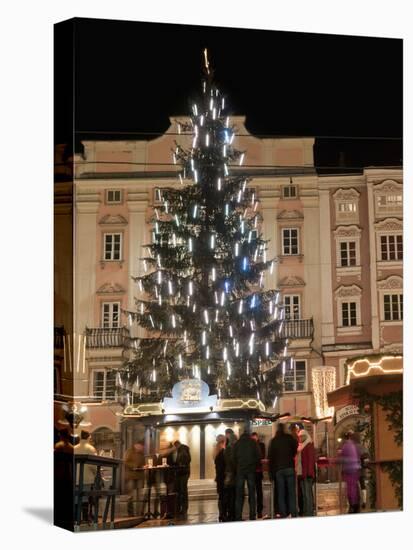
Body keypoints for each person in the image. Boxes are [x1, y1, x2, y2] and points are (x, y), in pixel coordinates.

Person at [268, 423, 299, 518]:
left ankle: (283, 514)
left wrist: (271, 473)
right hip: (289, 467)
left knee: (281, 493)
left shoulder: (273, 441)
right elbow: (295, 450)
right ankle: (294, 513)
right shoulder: (289, 438)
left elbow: (270, 457)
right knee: (291, 493)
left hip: (279, 470)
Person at [233, 430, 261, 521]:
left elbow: (233, 458)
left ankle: (238, 516)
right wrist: (254, 466)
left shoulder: (237, 443)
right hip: (250, 471)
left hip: (240, 471)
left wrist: (237, 467)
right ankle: (252, 516)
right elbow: (258, 456)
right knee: (252, 494)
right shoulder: (253, 443)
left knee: (239, 495)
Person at [74, 430, 98, 523]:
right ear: (89, 437)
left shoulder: (74, 448)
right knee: (85, 498)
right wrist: (97, 474)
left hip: (74, 477)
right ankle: (84, 518)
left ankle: (76, 518)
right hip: (86, 478)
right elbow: (94, 464)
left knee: (76, 498)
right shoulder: (90, 448)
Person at [338, 431, 362, 513]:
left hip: (349, 469)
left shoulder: (346, 445)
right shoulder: (354, 445)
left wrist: (335, 460)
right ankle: (355, 504)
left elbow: (343, 458)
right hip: (355, 468)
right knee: (354, 487)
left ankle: (353, 505)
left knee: (351, 488)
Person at [297, 428, 316, 516]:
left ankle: (309, 511)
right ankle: (305, 510)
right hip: (301, 473)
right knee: (304, 494)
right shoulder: (301, 445)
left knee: (308, 494)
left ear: (305, 436)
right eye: (299, 437)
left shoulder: (308, 445)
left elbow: (310, 460)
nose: (300, 438)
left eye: (301, 437)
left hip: (307, 474)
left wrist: (309, 473)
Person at [124, 440, 145, 517]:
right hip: (131, 476)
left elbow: (143, 463)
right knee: (130, 496)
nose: (142, 448)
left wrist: (143, 466)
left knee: (140, 496)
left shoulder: (142, 454)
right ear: (136, 445)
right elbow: (125, 462)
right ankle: (131, 514)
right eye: (141, 446)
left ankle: (139, 514)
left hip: (139, 476)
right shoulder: (129, 452)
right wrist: (134, 466)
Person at [173, 440, 191, 519]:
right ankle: (184, 507)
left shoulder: (182, 449)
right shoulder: (184, 448)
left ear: (177, 445)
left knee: (182, 490)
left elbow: (184, 459)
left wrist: (180, 464)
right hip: (184, 472)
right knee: (183, 490)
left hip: (182, 472)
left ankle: (183, 508)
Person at [223, 429, 237, 521]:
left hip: (229, 473)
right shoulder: (231, 448)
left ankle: (229, 513)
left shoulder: (227, 448)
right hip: (232, 474)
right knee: (232, 495)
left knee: (230, 494)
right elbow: (232, 461)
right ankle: (231, 513)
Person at [251, 432, 266, 518]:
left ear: (257, 437)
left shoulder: (261, 445)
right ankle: (254, 511)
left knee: (259, 491)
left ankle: (259, 510)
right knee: (254, 491)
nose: (254, 439)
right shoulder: (252, 446)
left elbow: (262, 456)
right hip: (254, 471)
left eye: (254, 437)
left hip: (257, 471)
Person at [214, 435, 226, 522]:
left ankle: (221, 514)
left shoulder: (216, 452)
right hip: (223, 478)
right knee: (224, 497)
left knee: (220, 497)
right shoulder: (222, 452)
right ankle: (223, 514)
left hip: (219, 478)